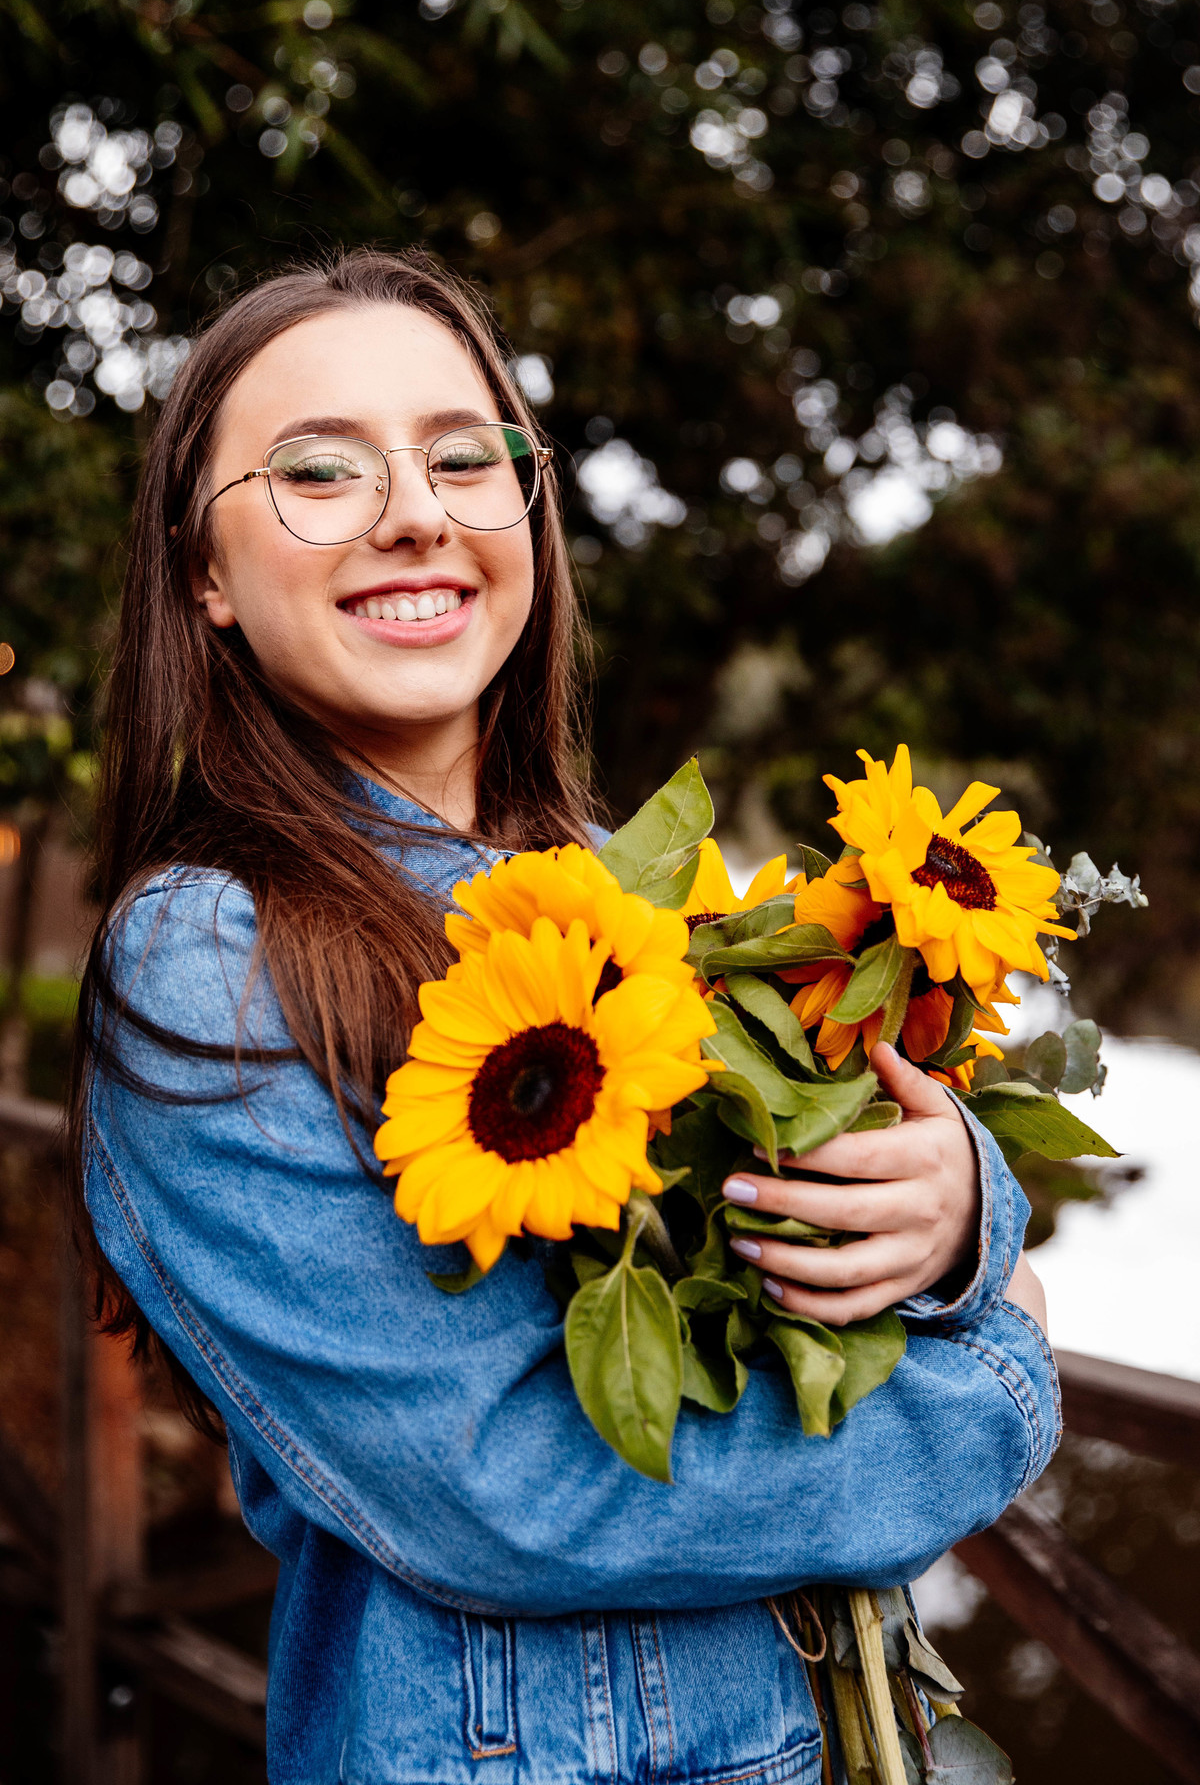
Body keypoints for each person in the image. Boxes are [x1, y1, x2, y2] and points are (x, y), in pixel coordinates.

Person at [70, 248, 1055, 1785]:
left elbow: (793, 1205)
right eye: (317, 471)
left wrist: (955, 1215)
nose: (415, 510)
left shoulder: (621, 888)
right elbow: (507, 1491)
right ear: (204, 573)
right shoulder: (210, 954)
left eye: (466, 456)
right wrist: (997, 1383)